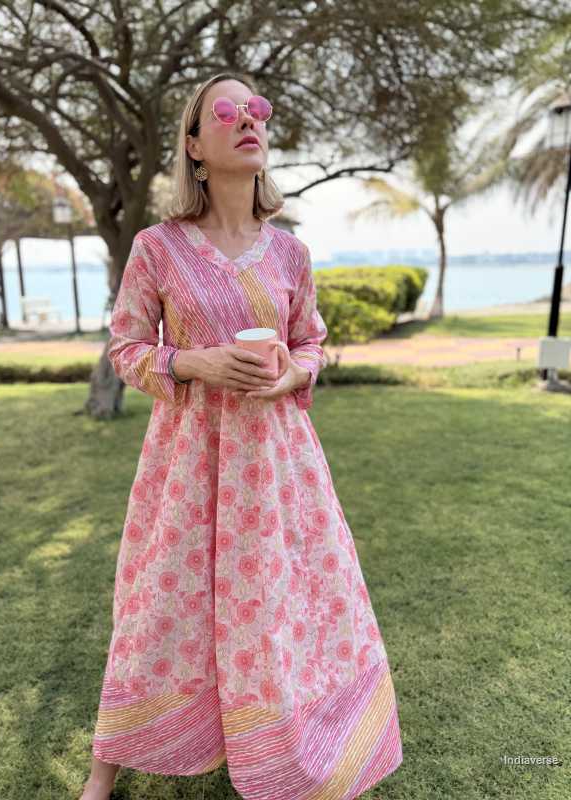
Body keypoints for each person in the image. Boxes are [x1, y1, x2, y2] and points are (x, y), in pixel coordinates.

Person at [80, 71, 403, 800]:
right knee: (158, 609)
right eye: (226, 112)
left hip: (278, 468)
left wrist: (292, 375)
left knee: (284, 604)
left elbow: (311, 341)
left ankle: (292, 747)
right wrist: (193, 361)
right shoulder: (158, 248)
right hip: (188, 461)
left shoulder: (290, 253)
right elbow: (126, 346)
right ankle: (105, 767)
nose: (249, 119)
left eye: (257, 109)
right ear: (194, 146)